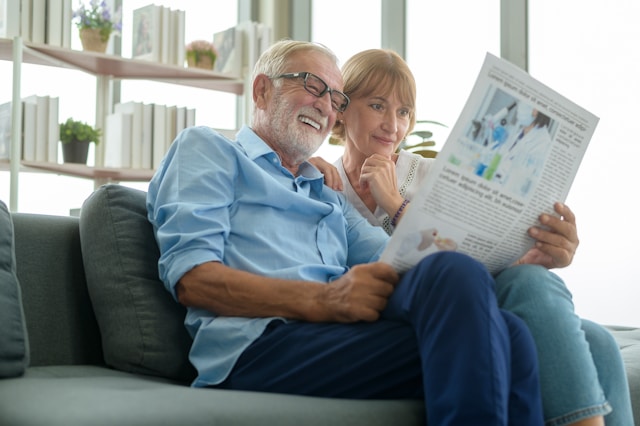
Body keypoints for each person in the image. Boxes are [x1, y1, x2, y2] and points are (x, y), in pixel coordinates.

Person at [146, 40, 544, 425]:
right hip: (259, 345)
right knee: (496, 339)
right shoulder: (208, 149)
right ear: (263, 90)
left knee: (492, 313)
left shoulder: (326, 191)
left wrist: (514, 250)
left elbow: (396, 260)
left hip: (334, 334)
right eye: (311, 85)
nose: (325, 106)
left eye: (335, 99)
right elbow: (194, 281)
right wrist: (325, 299)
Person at [310, 48, 633, 426]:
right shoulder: (323, 183)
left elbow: (476, 255)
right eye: (378, 106)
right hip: (410, 312)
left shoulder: (433, 174)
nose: (392, 125)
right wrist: (395, 205)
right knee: (595, 340)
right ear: (343, 108)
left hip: (477, 297)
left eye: (403, 112)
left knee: (599, 340)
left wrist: (544, 250)